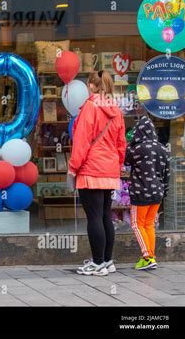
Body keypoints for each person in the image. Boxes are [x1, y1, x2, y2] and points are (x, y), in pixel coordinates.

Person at [68, 70, 127, 276]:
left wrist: (73, 167)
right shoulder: (116, 109)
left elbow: (82, 141)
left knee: (93, 217)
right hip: (109, 170)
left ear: (92, 86)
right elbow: (121, 144)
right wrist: (116, 166)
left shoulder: (90, 107)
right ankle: (108, 260)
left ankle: (97, 262)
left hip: (91, 170)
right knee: (105, 216)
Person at [125, 115, 170, 270]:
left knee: (137, 224)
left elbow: (125, 159)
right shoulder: (163, 149)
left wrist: (131, 142)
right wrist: (165, 192)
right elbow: (167, 174)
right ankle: (151, 255)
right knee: (149, 224)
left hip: (141, 192)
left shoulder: (137, 148)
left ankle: (147, 257)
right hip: (157, 193)